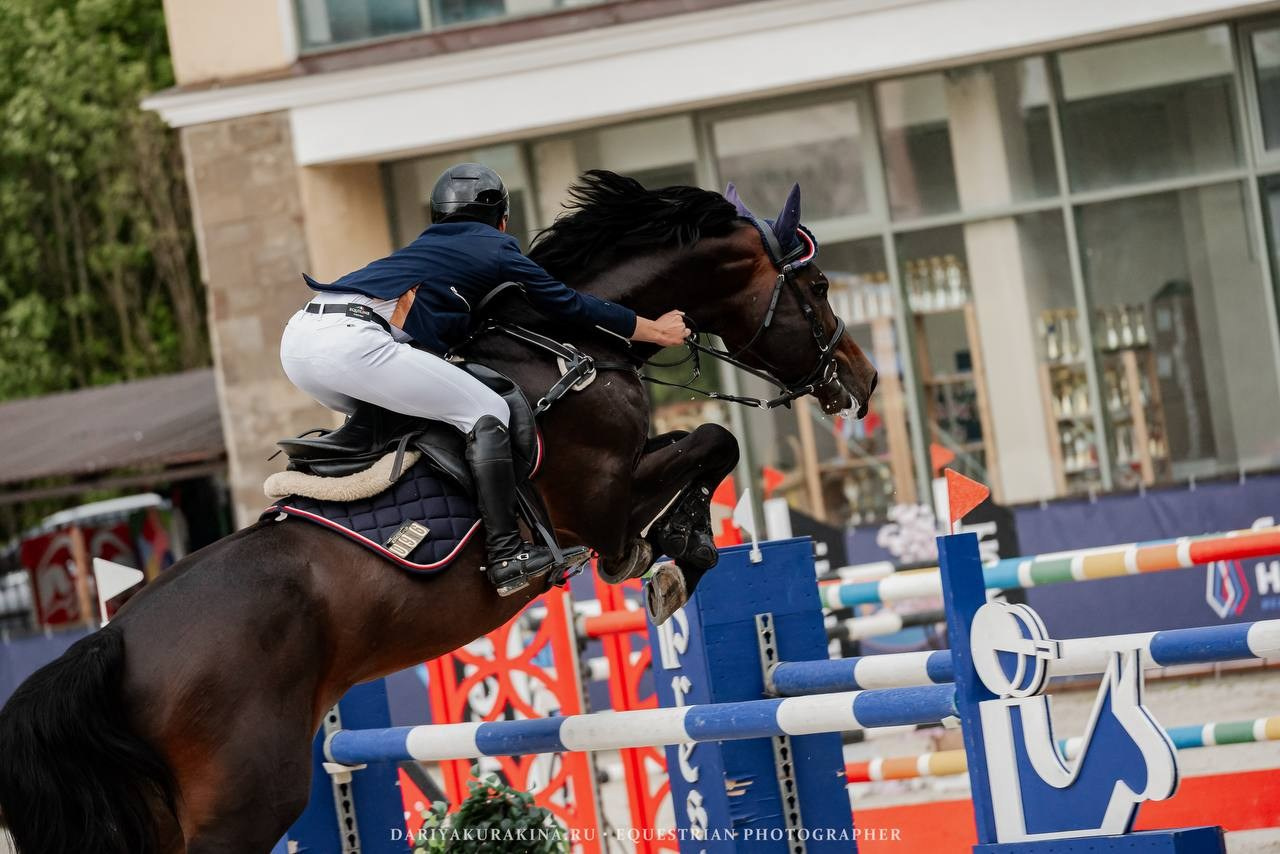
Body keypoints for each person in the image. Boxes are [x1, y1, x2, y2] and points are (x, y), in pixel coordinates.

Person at [281, 162, 689, 596]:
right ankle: (506, 551)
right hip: (352, 342)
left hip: (300, 341)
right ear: (502, 219)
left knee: (425, 416)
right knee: (486, 410)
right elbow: (567, 304)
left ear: (439, 217)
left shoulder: (424, 249)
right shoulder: (495, 246)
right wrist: (653, 330)